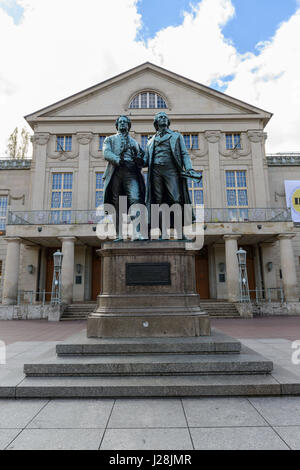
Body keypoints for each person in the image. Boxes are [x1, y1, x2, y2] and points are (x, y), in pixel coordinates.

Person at [144, 111, 199, 237]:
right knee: (158, 201)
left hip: (171, 170)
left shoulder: (176, 136)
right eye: (160, 117)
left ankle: (179, 232)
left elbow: (184, 153)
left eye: (165, 117)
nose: (163, 118)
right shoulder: (150, 140)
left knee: (175, 199)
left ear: (168, 122)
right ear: (156, 122)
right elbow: (146, 160)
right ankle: (162, 233)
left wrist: (189, 168)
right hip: (156, 172)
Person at [103, 115, 145, 240]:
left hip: (131, 172)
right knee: (117, 204)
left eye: (124, 122)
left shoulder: (135, 143)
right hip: (116, 172)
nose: (122, 124)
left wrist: (139, 160)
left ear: (128, 125)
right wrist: (117, 160)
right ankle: (119, 234)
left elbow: (142, 158)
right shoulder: (109, 139)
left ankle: (136, 233)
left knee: (135, 199)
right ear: (117, 125)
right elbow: (106, 152)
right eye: (120, 122)